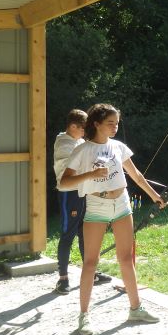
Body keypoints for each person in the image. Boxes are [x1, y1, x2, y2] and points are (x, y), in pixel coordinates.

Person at [60, 103, 166, 335]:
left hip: (122, 204)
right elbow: (64, 183)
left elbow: (136, 176)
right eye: (110, 123)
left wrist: (155, 196)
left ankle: (136, 308)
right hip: (97, 206)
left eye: (117, 122)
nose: (115, 126)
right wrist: (90, 175)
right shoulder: (83, 150)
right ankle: (84, 317)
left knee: (126, 258)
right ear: (96, 123)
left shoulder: (118, 147)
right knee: (90, 263)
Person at [53, 109, 112, 294]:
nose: (85, 132)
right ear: (72, 126)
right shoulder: (64, 144)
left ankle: (91, 273)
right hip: (69, 193)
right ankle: (63, 279)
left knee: (84, 233)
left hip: (81, 192)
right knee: (67, 234)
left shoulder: (77, 141)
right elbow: (72, 171)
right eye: (82, 129)